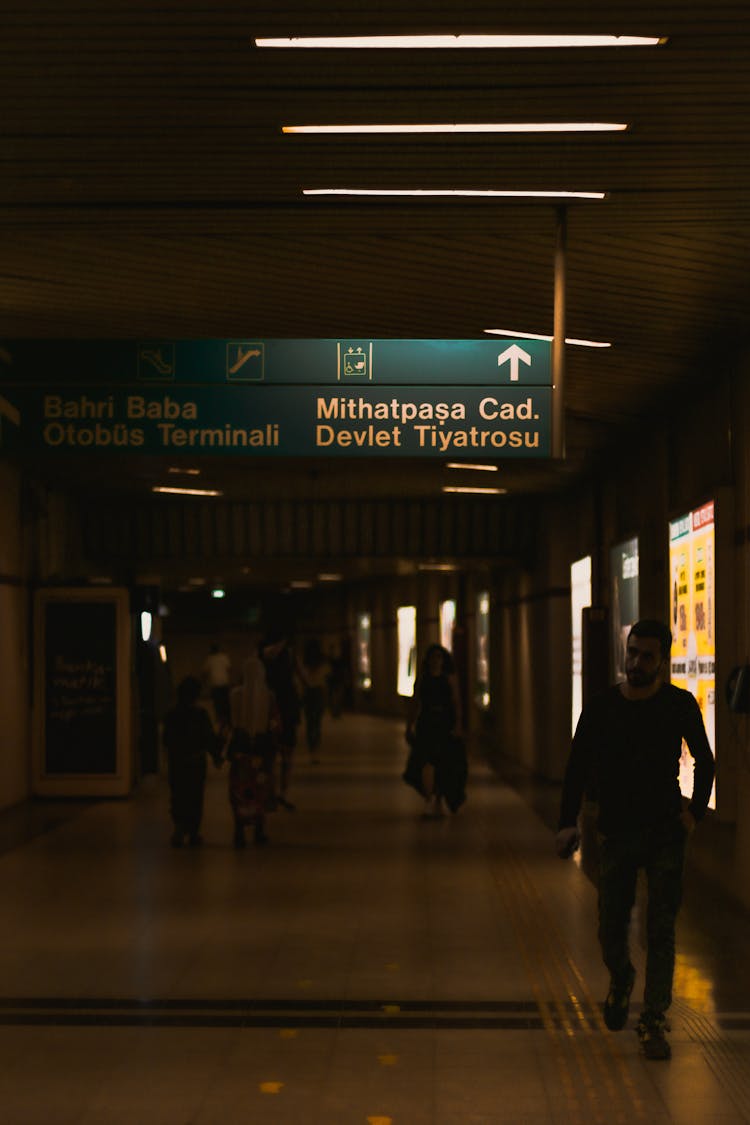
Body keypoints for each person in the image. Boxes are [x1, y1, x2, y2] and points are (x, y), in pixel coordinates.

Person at [556, 619, 715, 1061]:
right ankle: (622, 978)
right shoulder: (603, 706)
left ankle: (653, 1018)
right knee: (610, 926)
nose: (637, 662)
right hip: (618, 831)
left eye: (647, 655)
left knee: (661, 928)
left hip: (666, 830)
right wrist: (567, 822)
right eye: (632, 653)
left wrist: (693, 813)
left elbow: (705, 759)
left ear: (662, 659)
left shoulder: (678, 705)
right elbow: (576, 765)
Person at [404, 643, 467, 818]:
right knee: (427, 761)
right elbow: (415, 703)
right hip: (427, 722)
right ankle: (429, 799)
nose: (436, 661)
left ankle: (438, 798)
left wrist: (458, 725)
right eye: (433, 657)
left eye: (439, 657)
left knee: (443, 763)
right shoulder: (423, 679)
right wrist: (409, 725)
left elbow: (456, 703)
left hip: (444, 723)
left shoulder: (449, 679)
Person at [222, 650, 277, 848]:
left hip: (240, 746)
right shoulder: (269, 696)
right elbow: (274, 724)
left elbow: (228, 723)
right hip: (262, 749)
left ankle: (239, 830)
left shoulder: (234, 695)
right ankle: (259, 830)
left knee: (239, 789)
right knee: (260, 787)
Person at [162, 675, 220, 847]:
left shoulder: (171, 715)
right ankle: (194, 833)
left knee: (178, 795)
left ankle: (179, 829)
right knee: (195, 797)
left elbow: (166, 740)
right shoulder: (200, 714)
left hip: (177, 762)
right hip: (196, 762)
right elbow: (209, 738)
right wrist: (217, 755)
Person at [260, 629, 301, 810]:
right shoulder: (283, 653)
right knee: (283, 756)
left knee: (273, 756)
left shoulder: (268, 653)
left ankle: (275, 794)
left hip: (278, 707)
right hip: (284, 705)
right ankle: (279, 794)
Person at [298, 637, 330, 763]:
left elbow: (302, 678)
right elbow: (325, 678)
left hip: (308, 693)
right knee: (317, 723)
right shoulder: (322, 661)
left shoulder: (304, 662)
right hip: (318, 692)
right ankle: (315, 751)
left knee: (310, 723)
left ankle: (312, 750)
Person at [202, 642, 232, 727]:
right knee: (225, 705)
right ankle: (226, 722)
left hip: (216, 685)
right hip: (223, 684)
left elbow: (204, 673)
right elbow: (229, 669)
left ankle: (222, 722)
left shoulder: (210, 659)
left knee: (219, 705)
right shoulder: (223, 657)